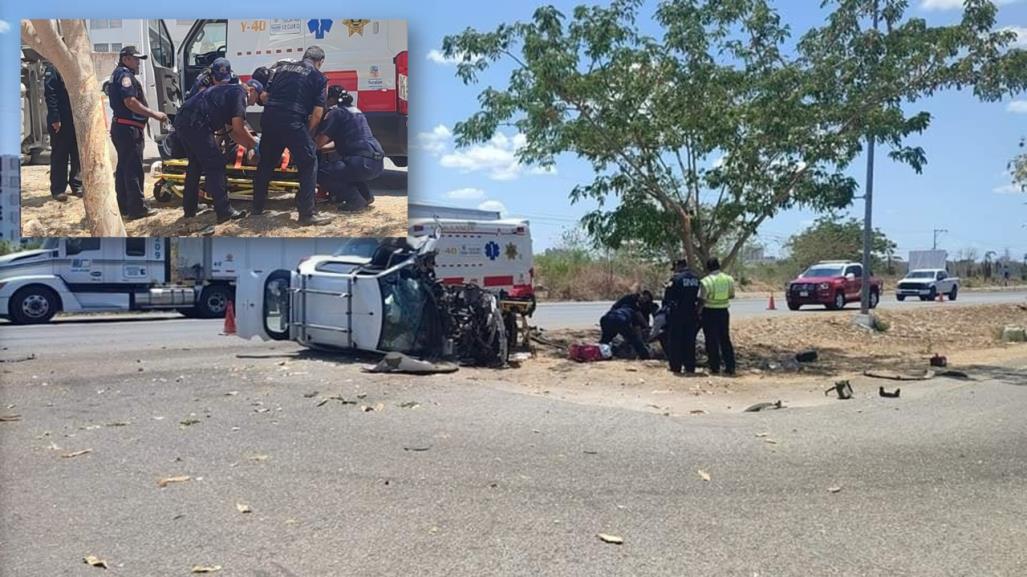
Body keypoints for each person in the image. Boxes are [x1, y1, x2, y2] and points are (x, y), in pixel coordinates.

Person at [250, 47, 332, 226]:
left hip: (270, 118)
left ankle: (256, 207)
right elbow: (318, 114)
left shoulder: (282, 68)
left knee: (266, 162)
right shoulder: (318, 77)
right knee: (309, 162)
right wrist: (308, 134)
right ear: (320, 62)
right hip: (292, 121)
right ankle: (307, 214)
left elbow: (264, 96)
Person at [174, 76, 263, 222]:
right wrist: (255, 144)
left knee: (195, 164)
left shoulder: (230, 92)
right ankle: (224, 211)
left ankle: (190, 208)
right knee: (216, 165)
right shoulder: (240, 94)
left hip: (184, 119)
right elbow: (239, 128)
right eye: (255, 99)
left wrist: (249, 145)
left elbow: (233, 132)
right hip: (196, 122)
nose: (253, 104)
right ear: (251, 90)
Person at [108, 46, 167, 219]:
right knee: (133, 168)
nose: (138, 62)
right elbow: (130, 102)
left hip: (122, 127)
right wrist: (154, 114)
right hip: (128, 129)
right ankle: (137, 208)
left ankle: (124, 205)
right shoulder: (125, 76)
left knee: (124, 168)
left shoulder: (117, 74)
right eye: (135, 59)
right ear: (125, 59)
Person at [314, 87, 385, 212]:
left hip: (361, 162)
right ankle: (366, 197)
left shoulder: (336, 113)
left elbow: (320, 140)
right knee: (348, 171)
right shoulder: (356, 111)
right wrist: (323, 148)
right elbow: (343, 142)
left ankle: (355, 201)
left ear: (332, 99)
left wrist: (309, 146)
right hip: (375, 161)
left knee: (322, 172)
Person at [43, 63, 83, 202]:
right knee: (60, 154)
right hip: (61, 119)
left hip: (75, 118)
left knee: (77, 153)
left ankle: (77, 184)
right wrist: (55, 118)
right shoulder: (54, 67)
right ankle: (58, 189)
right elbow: (50, 94)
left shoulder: (73, 66)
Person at [663, 258, 702, 375]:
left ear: (678, 266)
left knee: (676, 340)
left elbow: (668, 298)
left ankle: (676, 366)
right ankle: (690, 366)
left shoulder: (675, 279)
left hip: (677, 314)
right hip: (691, 313)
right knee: (690, 340)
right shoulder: (696, 279)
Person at [699, 257, 736, 375]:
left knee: (711, 340)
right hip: (724, 312)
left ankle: (714, 367)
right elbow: (731, 295)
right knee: (725, 339)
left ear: (708, 268)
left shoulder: (706, 281)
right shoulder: (729, 279)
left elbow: (702, 299)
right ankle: (730, 367)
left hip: (709, 312)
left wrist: (697, 312)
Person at [599, 294, 652, 360]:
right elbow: (637, 330)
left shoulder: (621, 307)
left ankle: (605, 355)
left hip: (605, 319)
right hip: (620, 320)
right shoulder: (634, 312)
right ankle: (645, 357)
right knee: (635, 340)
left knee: (605, 340)